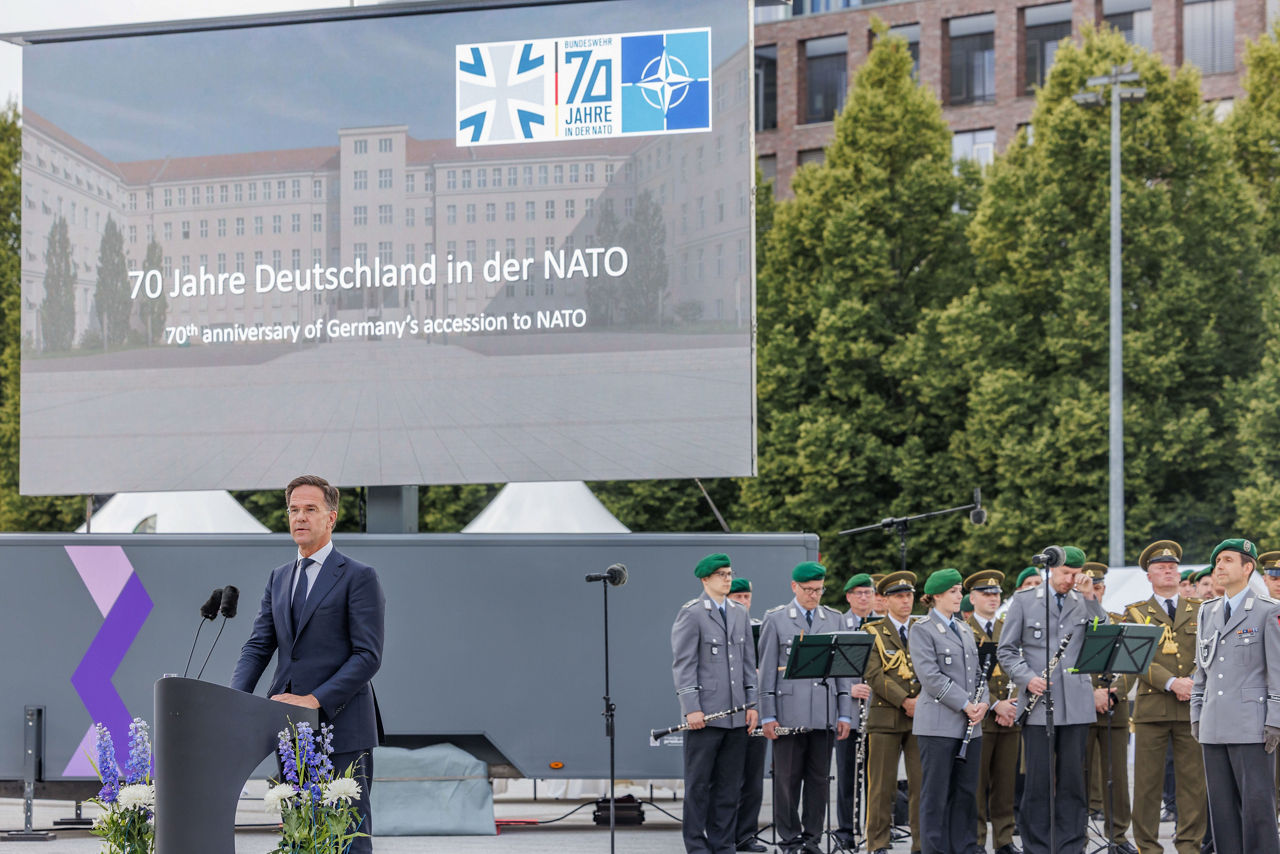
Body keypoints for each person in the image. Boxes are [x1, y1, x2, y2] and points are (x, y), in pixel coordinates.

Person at [231, 475, 386, 854]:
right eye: (294, 510)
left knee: (346, 838)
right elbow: (258, 646)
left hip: (344, 727)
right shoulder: (279, 577)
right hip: (288, 730)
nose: (299, 517)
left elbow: (368, 656)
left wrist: (314, 699)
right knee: (300, 836)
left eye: (310, 509)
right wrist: (233, 701)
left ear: (331, 518)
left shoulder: (359, 576)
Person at [997, 546, 1106, 854]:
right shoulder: (1024, 601)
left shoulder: (1084, 600)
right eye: (1065, 574)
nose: (1070, 580)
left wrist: (1090, 599)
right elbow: (1006, 650)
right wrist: (1026, 677)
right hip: (1038, 703)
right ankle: (1038, 846)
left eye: (1075, 574)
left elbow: (1105, 634)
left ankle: (1071, 845)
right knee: (1038, 782)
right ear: (1050, 570)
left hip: (1076, 703)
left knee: (1073, 781)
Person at [1191, 538, 1280, 854]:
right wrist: (1197, 713)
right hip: (1214, 726)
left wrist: (1275, 721)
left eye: (1228, 560)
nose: (1219, 566)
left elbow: (1277, 673)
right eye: (1217, 561)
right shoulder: (1207, 611)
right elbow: (1201, 669)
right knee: (1223, 814)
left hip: (1251, 726)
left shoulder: (1268, 612)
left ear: (1248, 567)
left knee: (1258, 812)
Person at [759, 562, 852, 854]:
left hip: (823, 714)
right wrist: (768, 715)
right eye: (809, 590)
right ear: (794, 587)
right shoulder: (775, 619)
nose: (814, 595)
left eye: (819, 590)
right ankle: (789, 839)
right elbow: (766, 673)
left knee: (819, 781)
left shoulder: (833, 619)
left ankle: (812, 840)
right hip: (787, 714)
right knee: (786, 781)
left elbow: (842, 672)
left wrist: (845, 712)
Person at [671, 553, 760, 854]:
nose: (727, 578)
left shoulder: (739, 612)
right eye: (721, 574)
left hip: (736, 714)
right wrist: (691, 707)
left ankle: (723, 845)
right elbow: (684, 664)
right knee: (698, 785)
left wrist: (753, 703)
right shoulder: (692, 613)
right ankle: (696, 846)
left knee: (729, 786)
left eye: (729, 573)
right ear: (705, 579)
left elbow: (748, 662)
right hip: (706, 714)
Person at [1124, 540, 1207, 854]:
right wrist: (1173, 682)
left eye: (1172, 567)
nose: (1169, 571)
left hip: (1193, 708)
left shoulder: (1201, 610)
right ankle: (1148, 846)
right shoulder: (1135, 613)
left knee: (1193, 784)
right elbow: (1136, 659)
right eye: (1161, 567)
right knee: (1146, 786)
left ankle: (1189, 845)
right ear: (1149, 575)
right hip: (1153, 710)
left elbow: (1211, 655)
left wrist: (1193, 682)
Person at [909, 568, 988, 854]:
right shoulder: (922, 629)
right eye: (954, 591)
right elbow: (930, 677)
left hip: (970, 724)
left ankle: (964, 847)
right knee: (936, 793)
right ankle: (934, 848)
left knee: (966, 792)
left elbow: (980, 673)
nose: (960, 596)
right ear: (936, 596)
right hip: (938, 725)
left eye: (959, 591)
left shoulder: (964, 628)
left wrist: (984, 703)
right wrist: (966, 704)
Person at [863, 570, 923, 854]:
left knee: (921, 784)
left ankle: (922, 843)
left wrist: (921, 698)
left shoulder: (922, 628)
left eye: (909, 595)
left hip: (921, 716)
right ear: (885, 601)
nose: (905, 601)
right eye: (899, 596)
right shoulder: (872, 631)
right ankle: (878, 843)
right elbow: (874, 675)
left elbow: (931, 668)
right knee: (881, 787)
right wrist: (905, 701)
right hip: (886, 717)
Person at [1081, 562, 1137, 854]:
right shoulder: (1072, 621)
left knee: (1117, 776)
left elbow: (1131, 664)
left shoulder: (1116, 619)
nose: (1095, 591)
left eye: (1099, 586)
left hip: (1114, 706)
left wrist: (1112, 695)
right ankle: (1078, 834)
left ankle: (1118, 835)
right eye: (1090, 586)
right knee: (1078, 775)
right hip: (1080, 706)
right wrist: (1090, 693)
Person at [964, 569, 1021, 854]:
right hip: (980, 717)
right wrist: (996, 703)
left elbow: (1021, 666)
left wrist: (1012, 705)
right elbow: (968, 675)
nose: (992, 598)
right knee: (977, 782)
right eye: (986, 594)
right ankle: (975, 840)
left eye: (996, 594)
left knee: (1005, 781)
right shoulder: (964, 629)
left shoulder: (1007, 626)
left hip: (1009, 715)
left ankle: (1004, 839)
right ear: (972, 598)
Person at [835, 573, 877, 848]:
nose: (863, 597)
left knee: (877, 777)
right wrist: (849, 689)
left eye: (868, 592)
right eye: (858, 593)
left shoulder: (883, 626)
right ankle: (847, 830)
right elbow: (833, 665)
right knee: (848, 773)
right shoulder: (839, 623)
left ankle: (874, 828)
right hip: (850, 710)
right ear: (849, 596)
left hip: (879, 711)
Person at [728, 577, 767, 853]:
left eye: (746, 597)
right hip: (727, 712)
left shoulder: (760, 629)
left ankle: (746, 835)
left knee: (753, 779)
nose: (743, 601)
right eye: (737, 596)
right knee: (727, 778)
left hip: (756, 711)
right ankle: (723, 833)